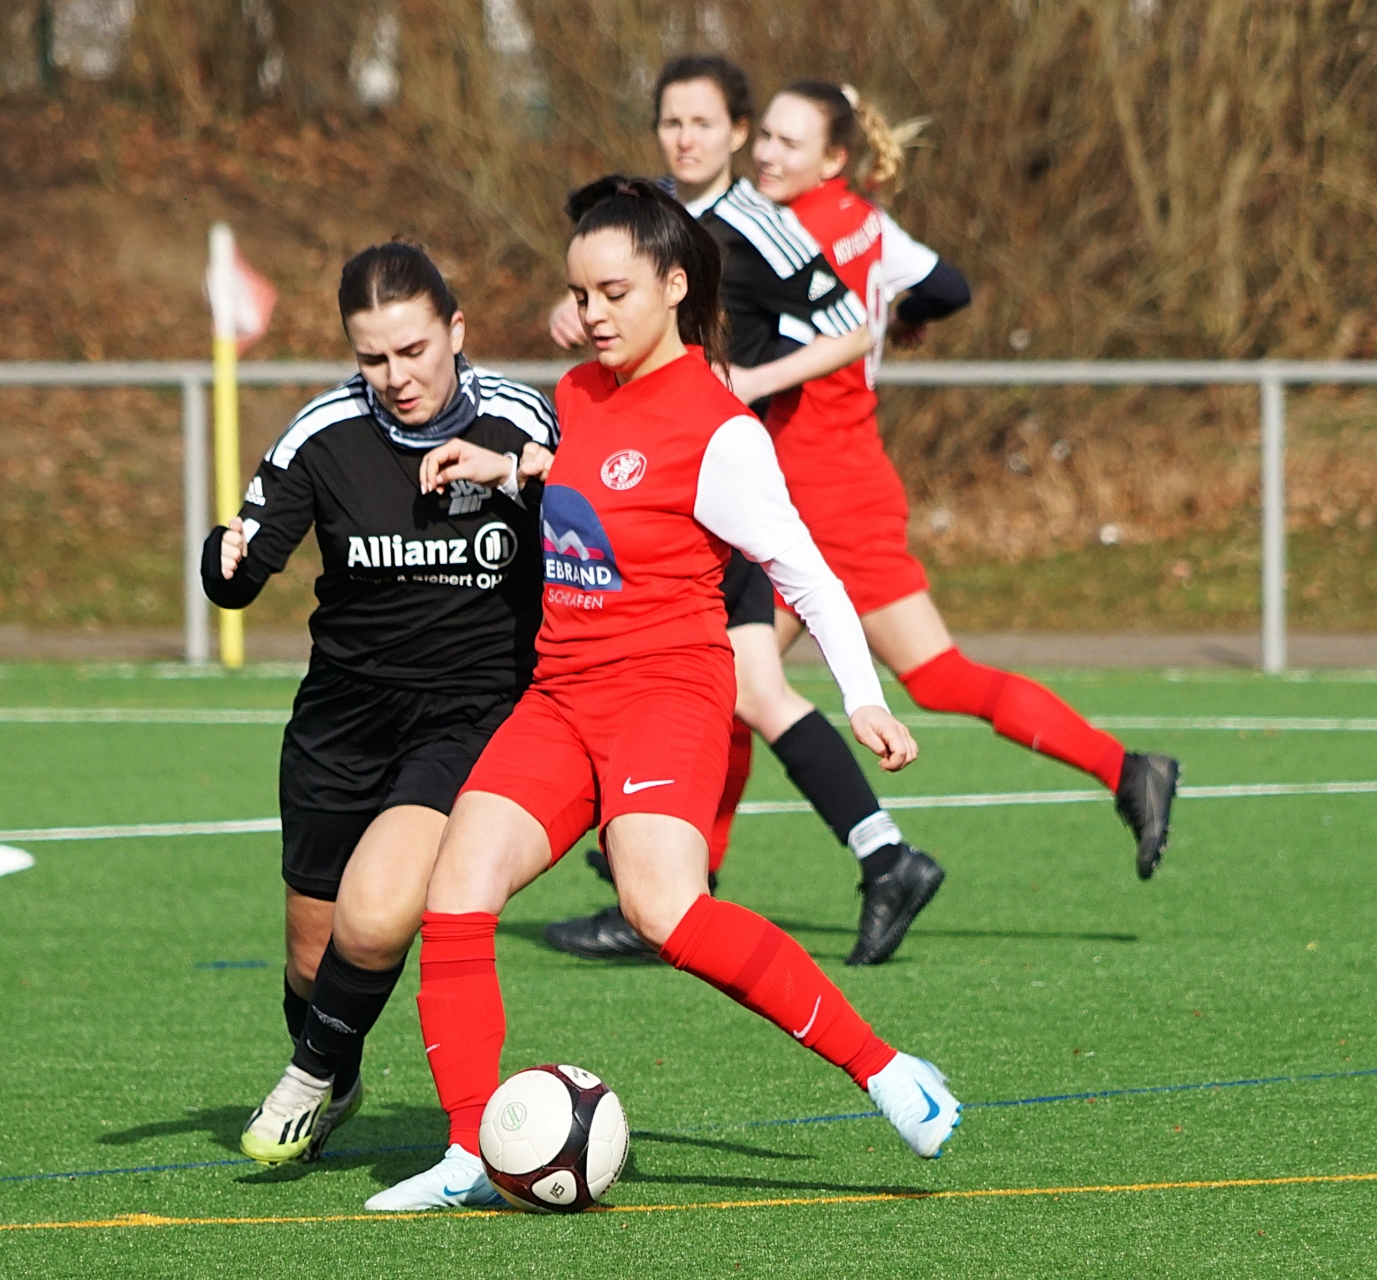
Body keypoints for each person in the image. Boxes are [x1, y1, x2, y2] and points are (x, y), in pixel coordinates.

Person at [362, 177, 960, 1213]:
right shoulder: (578, 392)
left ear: (674, 286)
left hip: (666, 693)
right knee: (456, 890)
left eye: (614, 292)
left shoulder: (722, 430)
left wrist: (862, 695)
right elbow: (589, 478)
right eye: (579, 294)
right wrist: (504, 469)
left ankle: (886, 1069)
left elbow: (807, 572)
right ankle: (467, 1151)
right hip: (561, 694)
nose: (593, 314)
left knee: (663, 910)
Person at [545, 55, 945, 968]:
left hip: (705, 494)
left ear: (736, 132)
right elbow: (604, 306)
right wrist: (581, 316)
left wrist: (751, 382)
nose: (684, 138)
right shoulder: (645, 216)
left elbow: (854, 325)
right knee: (743, 695)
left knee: (743, 693)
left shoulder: (761, 224)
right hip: (648, 494)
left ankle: (855, 861)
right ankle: (866, 859)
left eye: (703, 123)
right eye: (670, 122)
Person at [743, 80, 1180, 880]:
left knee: (746, 684)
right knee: (743, 685)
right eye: (764, 136)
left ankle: (696, 879)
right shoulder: (864, 220)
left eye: (788, 142)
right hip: (832, 480)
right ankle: (1124, 771)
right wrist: (903, 316)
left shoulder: (787, 235)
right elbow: (949, 287)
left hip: (824, 494)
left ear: (833, 159)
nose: (766, 153)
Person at [200, 240, 557, 1165]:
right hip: (343, 717)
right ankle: (338, 1072)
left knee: (379, 911)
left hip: (471, 712)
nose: (397, 377)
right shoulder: (322, 433)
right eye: (373, 358)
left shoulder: (520, 420)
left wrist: (523, 473)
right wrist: (223, 560)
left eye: (413, 350)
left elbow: (590, 507)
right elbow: (244, 567)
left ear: (456, 331)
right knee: (311, 957)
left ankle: (303, 1079)